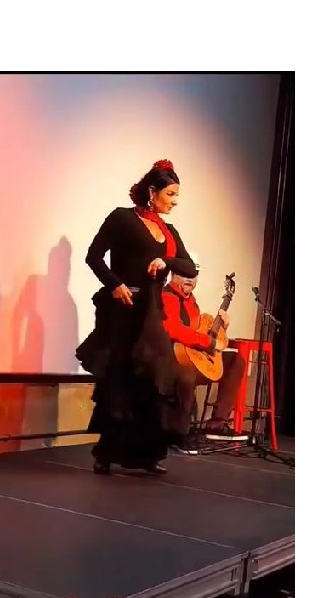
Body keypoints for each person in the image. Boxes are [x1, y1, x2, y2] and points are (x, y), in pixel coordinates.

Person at [76, 159, 199, 474]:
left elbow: (188, 266)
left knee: (154, 379)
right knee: (120, 379)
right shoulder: (122, 218)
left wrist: (167, 261)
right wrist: (114, 284)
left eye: (176, 196)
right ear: (152, 191)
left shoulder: (168, 231)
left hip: (152, 313)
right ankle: (106, 453)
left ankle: (147, 455)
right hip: (124, 309)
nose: (174, 202)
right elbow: (93, 256)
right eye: (170, 195)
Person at [161, 272, 247, 439]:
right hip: (172, 359)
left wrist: (223, 327)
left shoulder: (192, 303)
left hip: (195, 358)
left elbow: (199, 333)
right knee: (186, 374)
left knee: (236, 360)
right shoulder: (167, 297)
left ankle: (217, 423)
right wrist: (210, 342)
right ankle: (180, 432)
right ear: (173, 275)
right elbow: (176, 331)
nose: (189, 279)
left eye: (193, 276)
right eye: (184, 275)